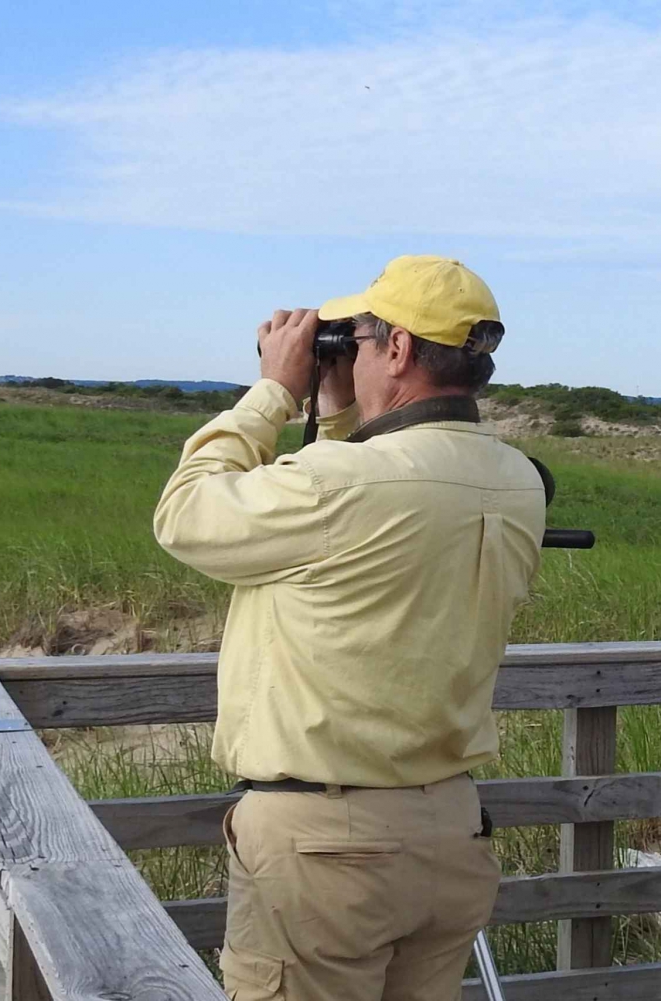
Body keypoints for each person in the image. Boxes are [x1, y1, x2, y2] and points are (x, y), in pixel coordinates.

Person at [153, 255, 546, 1001]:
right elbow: (368, 514)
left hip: (325, 849)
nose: (349, 353)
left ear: (397, 350)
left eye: (359, 339)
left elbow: (185, 515)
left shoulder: (342, 484)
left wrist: (273, 390)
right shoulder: (516, 479)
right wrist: (337, 414)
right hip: (449, 832)